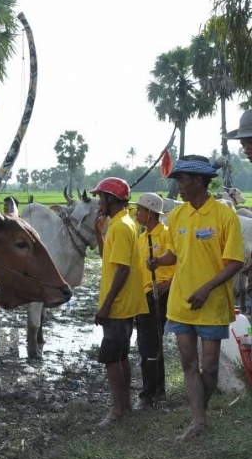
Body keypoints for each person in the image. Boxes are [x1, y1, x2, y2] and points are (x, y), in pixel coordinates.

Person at [148, 155, 244, 442]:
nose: (179, 187)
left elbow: (235, 262)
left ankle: (200, 412)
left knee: (210, 367)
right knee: (189, 363)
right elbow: (175, 254)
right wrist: (158, 261)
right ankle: (199, 421)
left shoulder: (224, 215)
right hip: (180, 304)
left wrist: (206, 289)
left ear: (199, 181)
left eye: (182, 180)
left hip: (211, 303)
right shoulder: (177, 215)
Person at [91, 177, 148, 426]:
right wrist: (98, 233)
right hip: (122, 303)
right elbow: (110, 260)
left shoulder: (121, 227)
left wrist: (106, 305)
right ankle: (124, 408)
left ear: (111, 199)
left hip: (118, 305)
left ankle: (117, 411)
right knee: (121, 355)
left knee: (112, 357)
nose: (98, 201)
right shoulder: (123, 223)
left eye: (101, 197)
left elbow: (122, 270)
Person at [133, 193, 174, 409]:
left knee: (151, 343)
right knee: (148, 344)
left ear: (150, 213)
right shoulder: (141, 238)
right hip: (145, 296)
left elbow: (180, 261)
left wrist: (169, 284)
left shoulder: (166, 234)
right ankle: (157, 391)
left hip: (162, 294)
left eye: (139, 209)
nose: (136, 213)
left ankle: (149, 394)